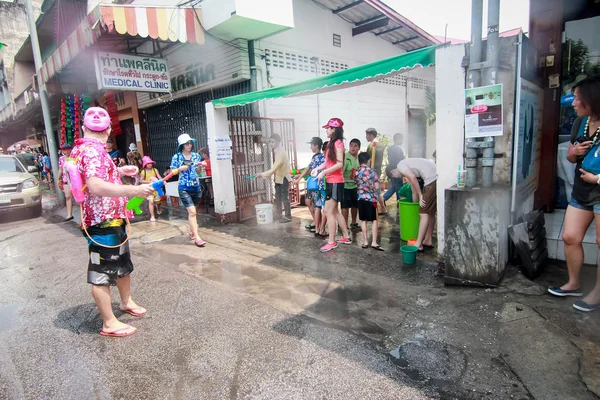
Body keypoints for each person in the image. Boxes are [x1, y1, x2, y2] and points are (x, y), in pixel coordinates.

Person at [71, 107, 154, 337]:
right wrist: (133, 189)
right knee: (102, 274)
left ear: (84, 128)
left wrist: (117, 170)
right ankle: (109, 323)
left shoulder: (87, 149)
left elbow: (93, 178)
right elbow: (96, 186)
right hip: (102, 222)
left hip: (113, 219)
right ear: (108, 129)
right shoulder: (93, 151)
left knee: (122, 265)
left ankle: (126, 302)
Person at [548, 77, 600, 312]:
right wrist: (575, 152)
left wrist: (598, 178)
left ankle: (597, 293)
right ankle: (574, 282)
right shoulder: (581, 123)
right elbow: (570, 157)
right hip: (582, 189)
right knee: (570, 236)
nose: (574, 103)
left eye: (579, 98)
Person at [312, 118, 351, 252]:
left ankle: (332, 241)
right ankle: (346, 236)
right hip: (330, 181)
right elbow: (328, 162)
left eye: (328, 128)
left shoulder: (338, 144)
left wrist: (323, 173)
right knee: (334, 211)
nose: (326, 130)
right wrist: (318, 169)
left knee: (328, 211)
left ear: (334, 129)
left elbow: (339, 164)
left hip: (336, 181)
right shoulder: (330, 144)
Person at [390, 158, 437, 251]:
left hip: (431, 179)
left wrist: (421, 196)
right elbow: (413, 190)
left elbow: (413, 178)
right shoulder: (408, 165)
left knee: (423, 213)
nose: (399, 178)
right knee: (430, 212)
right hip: (436, 176)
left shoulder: (400, 165)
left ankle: (418, 244)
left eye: (395, 176)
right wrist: (416, 204)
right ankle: (428, 239)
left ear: (392, 172)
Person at [170, 133, 207, 247]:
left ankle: (192, 231)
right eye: (187, 143)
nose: (189, 145)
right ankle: (197, 237)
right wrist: (179, 168)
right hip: (184, 188)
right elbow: (171, 172)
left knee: (192, 213)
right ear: (182, 145)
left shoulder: (196, 156)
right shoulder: (177, 157)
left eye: (190, 143)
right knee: (192, 212)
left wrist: (201, 166)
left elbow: (198, 173)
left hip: (196, 187)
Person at [294, 137, 326, 235]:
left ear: (316, 146)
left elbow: (308, 169)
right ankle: (321, 228)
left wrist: (299, 179)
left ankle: (318, 228)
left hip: (315, 185)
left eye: (312, 145)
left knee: (318, 207)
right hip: (322, 185)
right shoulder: (323, 157)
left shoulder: (316, 157)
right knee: (322, 207)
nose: (311, 147)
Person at [260, 134, 292, 223]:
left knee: (284, 198)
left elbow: (274, 168)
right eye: (270, 142)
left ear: (278, 142)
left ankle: (288, 216)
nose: (270, 144)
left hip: (284, 178)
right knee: (278, 197)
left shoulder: (281, 152)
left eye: (272, 142)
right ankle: (278, 214)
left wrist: (262, 174)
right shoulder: (277, 151)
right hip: (279, 178)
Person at [355, 152, 382, 250]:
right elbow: (377, 187)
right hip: (372, 199)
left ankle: (365, 241)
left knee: (363, 220)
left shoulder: (356, 172)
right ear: (368, 160)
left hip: (361, 198)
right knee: (374, 220)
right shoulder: (373, 172)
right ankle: (374, 242)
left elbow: (356, 182)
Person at [365, 127, 387, 213]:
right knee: (376, 191)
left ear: (371, 135)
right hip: (377, 170)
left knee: (374, 191)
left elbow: (368, 160)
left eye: (367, 135)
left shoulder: (372, 145)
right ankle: (382, 208)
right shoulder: (380, 145)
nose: (366, 137)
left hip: (372, 171)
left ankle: (378, 208)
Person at [341, 138, 360, 230]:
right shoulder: (345, 157)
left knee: (355, 205)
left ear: (359, 148)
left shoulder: (359, 159)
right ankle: (344, 224)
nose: (353, 148)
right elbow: (341, 171)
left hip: (355, 185)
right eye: (351, 145)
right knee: (345, 206)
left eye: (355, 146)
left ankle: (353, 222)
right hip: (345, 185)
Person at [383, 133, 406, 204]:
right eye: (401, 139)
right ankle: (399, 202)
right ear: (398, 139)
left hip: (391, 170)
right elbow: (401, 160)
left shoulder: (391, 148)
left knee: (395, 186)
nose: (402, 141)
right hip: (396, 170)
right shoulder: (398, 149)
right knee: (398, 187)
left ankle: (385, 198)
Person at [139, 156, 163, 222]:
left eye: (150, 163)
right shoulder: (143, 172)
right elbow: (141, 181)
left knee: (158, 202)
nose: (150, 165)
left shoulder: (155, 170)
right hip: (149, 189)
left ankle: (158, 207)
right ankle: (152, 216)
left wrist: (163, 181)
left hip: (156, 189)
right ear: (145, 165)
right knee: (151, 201)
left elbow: (159, 177)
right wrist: (150, 182)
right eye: (148, 163)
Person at [57, 143, 74, 221]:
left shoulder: (74, 157)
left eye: (68, 149)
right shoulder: (61, 159)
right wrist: (58, 179)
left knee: (79, 198)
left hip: (75, 180)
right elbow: (60, 170)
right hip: (65, 180)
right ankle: (69, 214)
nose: (66, 151)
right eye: (64, 149)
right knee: (67, 196)